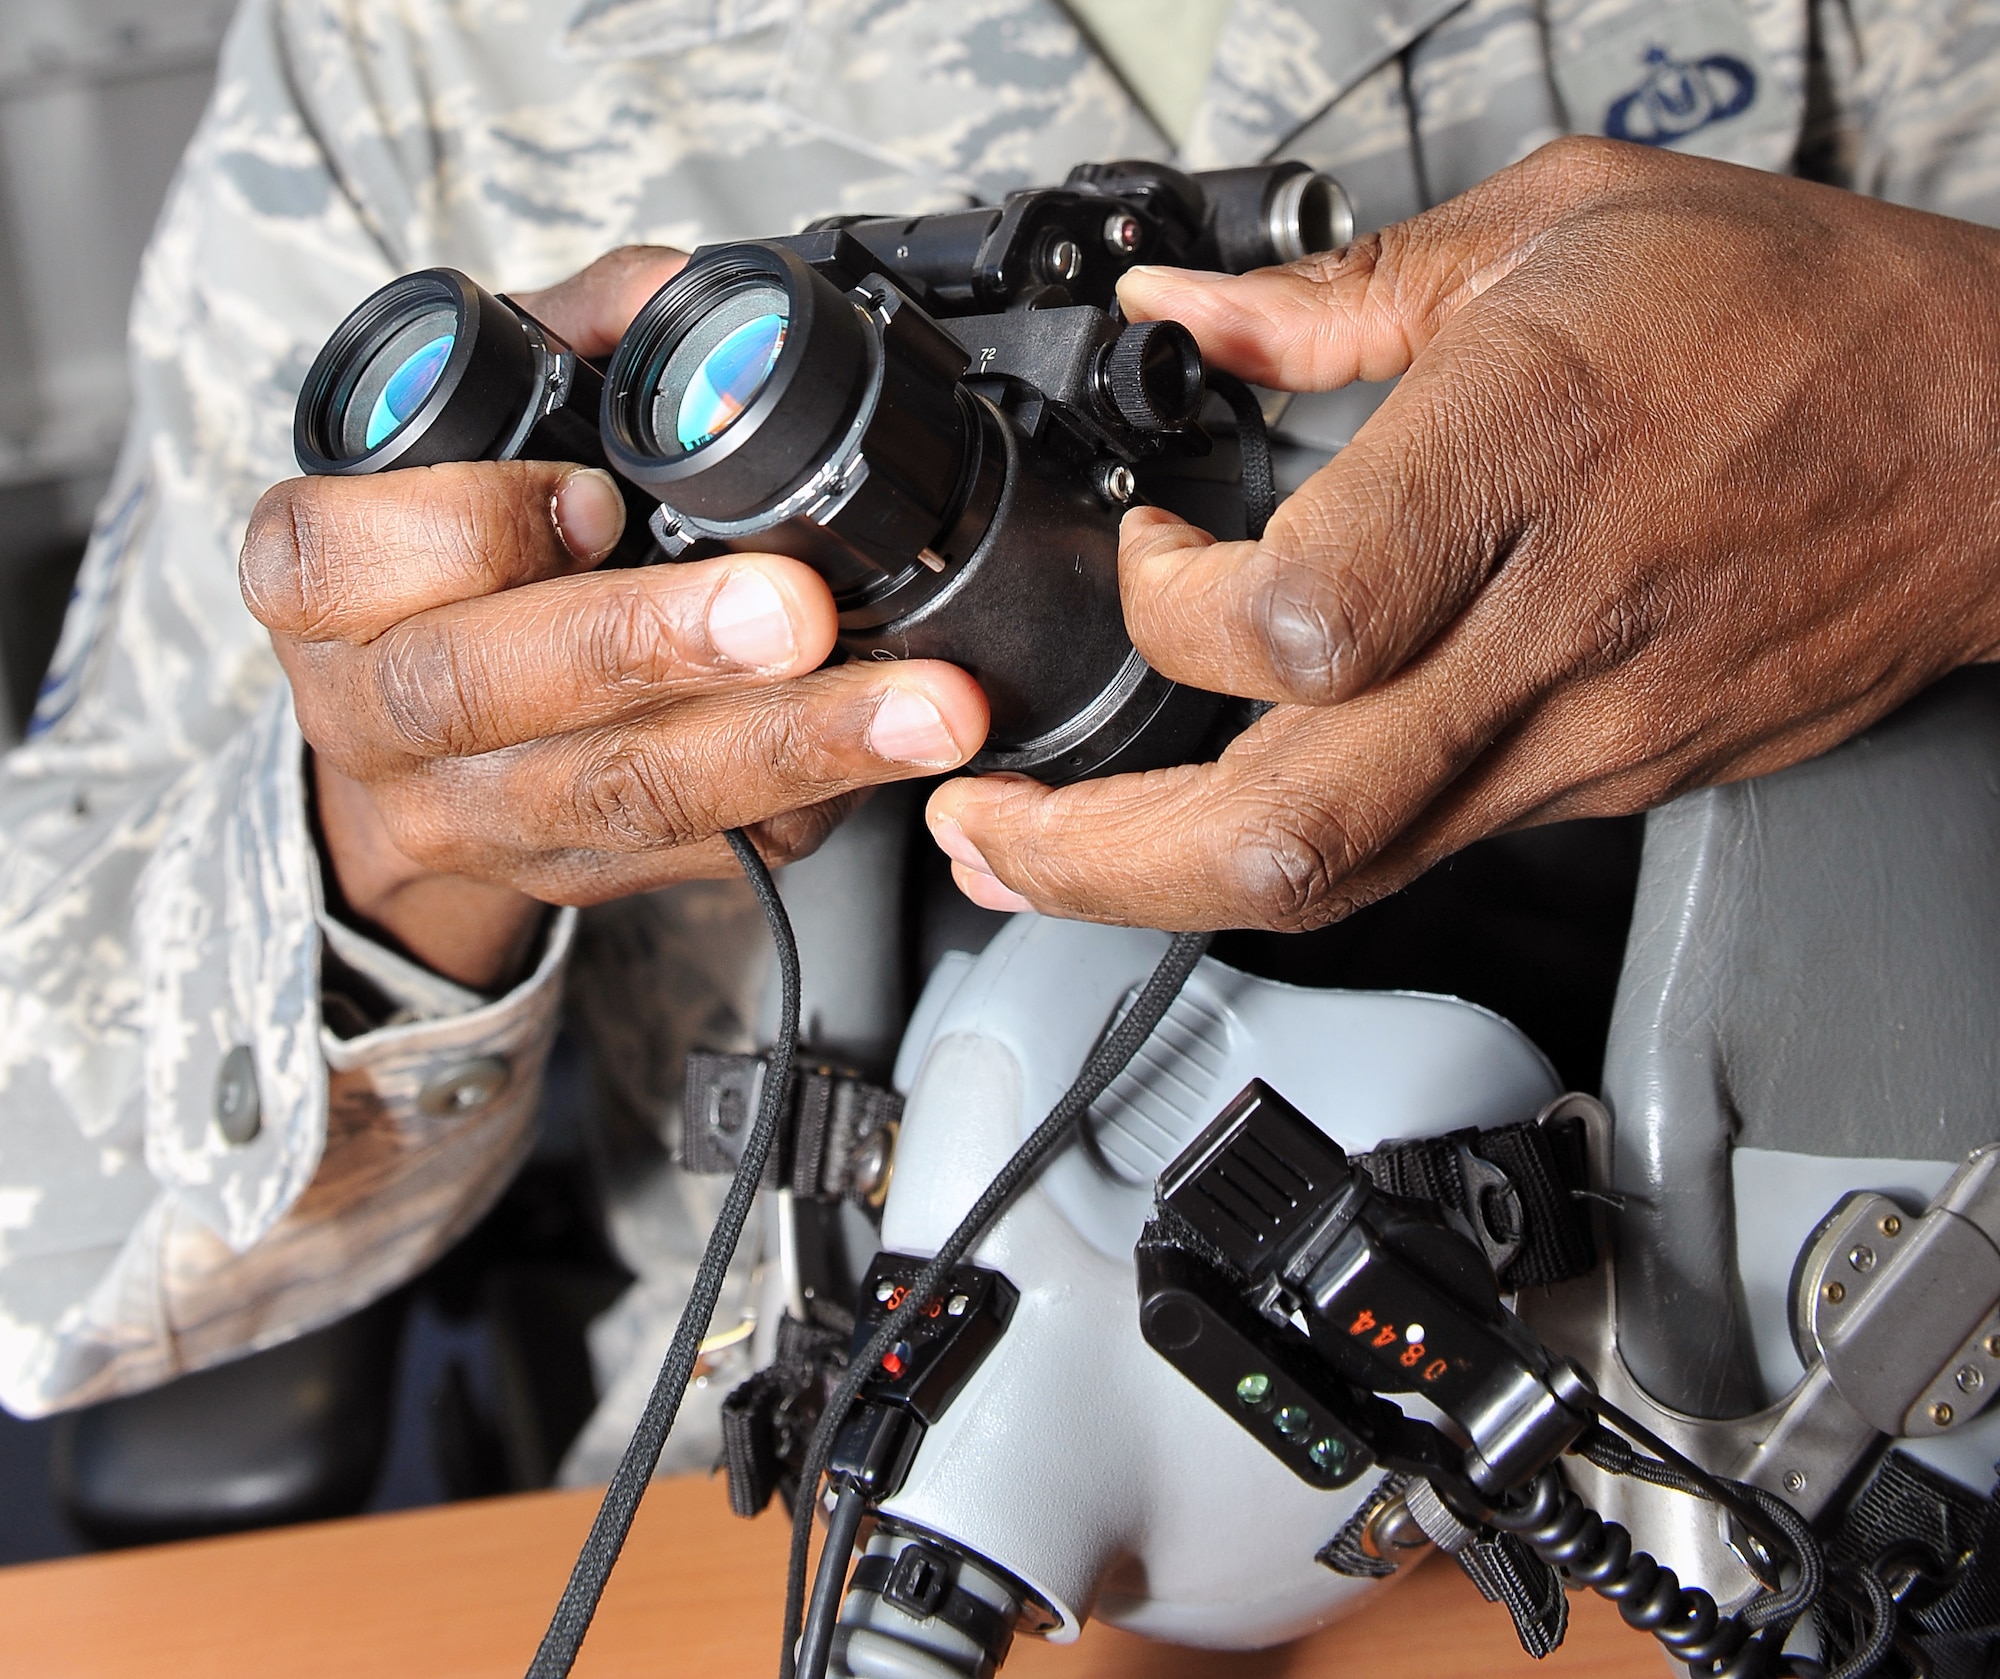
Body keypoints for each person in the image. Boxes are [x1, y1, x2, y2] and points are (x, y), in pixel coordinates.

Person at [2, 0, 1997, 1493]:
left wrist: (1968, 411)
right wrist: (387, 843)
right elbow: (43, 1220)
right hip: (852, 1453)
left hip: (1836, 1368)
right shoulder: (406, 46)